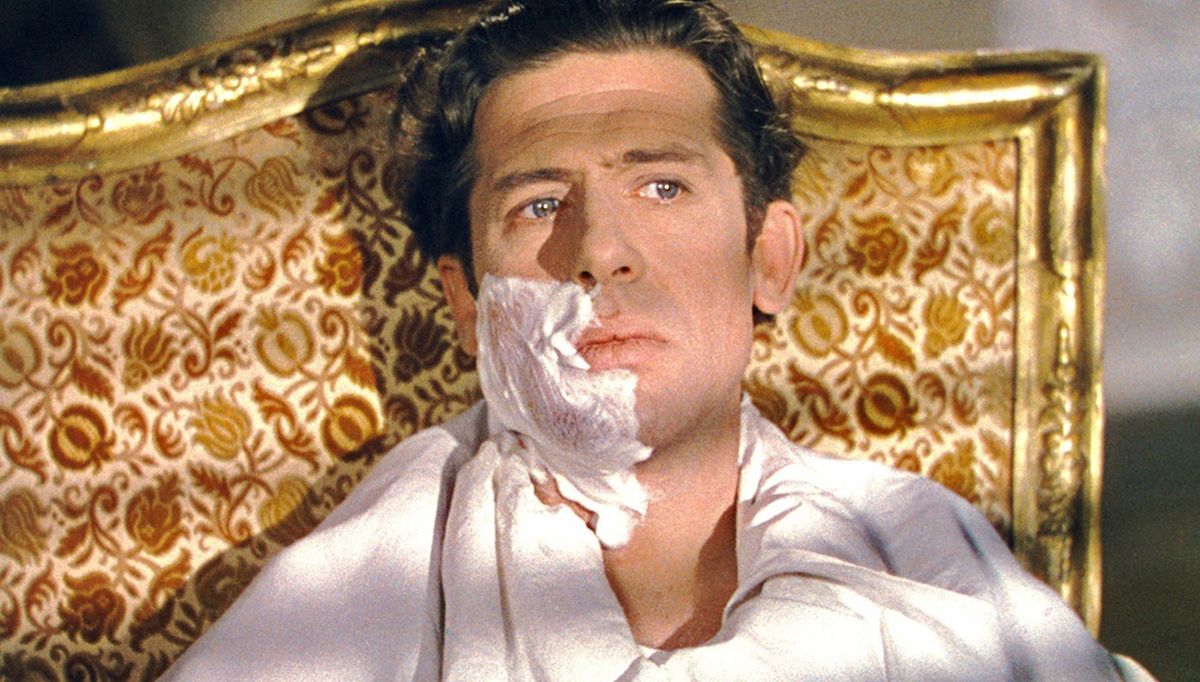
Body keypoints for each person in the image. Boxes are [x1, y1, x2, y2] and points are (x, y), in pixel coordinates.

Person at [165, 0, 1151, 679]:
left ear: (769, 258)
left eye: (662, 186)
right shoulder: (356, 594)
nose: (601, 251)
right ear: (468, 304)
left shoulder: (922, 563)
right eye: (538, 202)